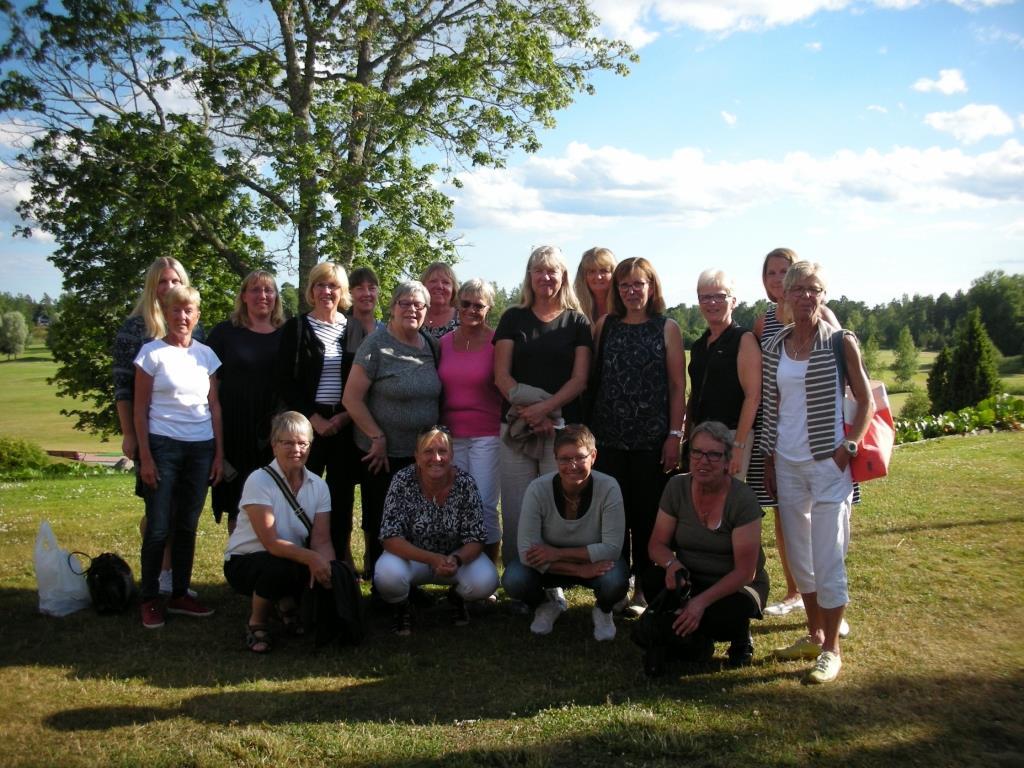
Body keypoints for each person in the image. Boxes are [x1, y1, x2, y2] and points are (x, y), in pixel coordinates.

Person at [760, 261, 874, 684]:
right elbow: (772, 406)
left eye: (815, 289)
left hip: (828, 466)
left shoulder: (840, 342)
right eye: (799, 289)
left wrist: (847, 449)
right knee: (801, 559)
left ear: (823, 296)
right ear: (785, 295)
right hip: (787, 465)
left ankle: (832, 649)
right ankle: (814, 632)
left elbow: (865, 401)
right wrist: (770, 457)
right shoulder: (775, 345)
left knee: (828, 557)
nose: (807, 296)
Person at [589, 257, 686, 615]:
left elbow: (678, 387)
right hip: (608, 440)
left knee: (648, 518)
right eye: (624, 285)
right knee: (614, 516)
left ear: (651, 287)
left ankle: (644, 591)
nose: (631, 291)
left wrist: (675, 434)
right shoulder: (605, 326)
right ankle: (614, 586)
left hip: (651, 441)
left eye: (638, 284)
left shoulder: (667, 328)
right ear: (617, 290)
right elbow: (595, 381)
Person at [747, 248, 840, 617]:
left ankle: (826, 609)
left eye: (784, 272)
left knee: (824, 532)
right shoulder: (764, 323)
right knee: (789, 523)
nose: (778, 279)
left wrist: (846, 446)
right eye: (772, 273)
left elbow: (850, 385)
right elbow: (768, 388)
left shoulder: (829, 326)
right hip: (784, 444)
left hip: (824, 445)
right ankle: (796, 592)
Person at [493, 245, 592, 573]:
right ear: (529, 276)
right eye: (539, 270)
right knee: (517, 507)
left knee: (556, 505)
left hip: (561, 431)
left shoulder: (577, 321)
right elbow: (501, 376)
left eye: (553, 271)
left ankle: (554, 579)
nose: (546, 277)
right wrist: (529, 413)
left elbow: (579, 380)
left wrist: (545, 411)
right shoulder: (512, 317)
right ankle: (518, 577)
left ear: (563, 276)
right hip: (516, 429)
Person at [643, 421, 770, 673]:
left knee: (729, 612)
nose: (704, 461)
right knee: (652, 579)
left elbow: (746, 572)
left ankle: (739, 636)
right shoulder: (676, 486)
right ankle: (693, 640)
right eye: (697, 453)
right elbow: (657, 545)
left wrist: (699, 603)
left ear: (727, 461)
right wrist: (672, 564)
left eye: (713, 454)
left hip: (736, 586)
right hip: (692, 578)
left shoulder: (743, 499)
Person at [113, 256, 204, 595]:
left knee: (180, 511)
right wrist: (129, 434)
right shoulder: (136, 329)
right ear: (152, 287)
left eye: (175, 281)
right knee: (158, 512)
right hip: (153, 437)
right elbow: (123, 388)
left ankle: (172, 577)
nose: (169, 288)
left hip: (192, 437)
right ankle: (159, 576)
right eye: (162, 282)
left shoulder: (196, 328)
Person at [133, 285, 222, 629]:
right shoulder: (151, 354)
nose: (182, 317)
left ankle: (181, 593)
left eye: (189, 311)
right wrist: (146, 458)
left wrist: (218, 454)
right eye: (176, 311)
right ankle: (150, 598)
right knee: (158, 527)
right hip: (163, 447)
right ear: (165, 314)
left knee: (187, 525)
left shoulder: (207, 355)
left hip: (201, 449)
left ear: (197, 315)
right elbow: (140, 410)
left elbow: (215, 407)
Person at [343, 280, 442, 579]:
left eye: (418, 305)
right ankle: (380, 581)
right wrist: (377, 436)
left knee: (414, 519)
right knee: (380, 519)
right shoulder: (376, 344)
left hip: (421, 456)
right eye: (404, 303)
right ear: (393, 307)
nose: (411, 309)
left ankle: (410, 583)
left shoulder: (431, 345)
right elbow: (351, 398)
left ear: (426, 311)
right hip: (381, 453)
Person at [501, 425, 628, 641]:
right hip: (562, 565)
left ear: (594, 456)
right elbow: (525, 552)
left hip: (587, 563)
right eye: (564, 459)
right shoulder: (537, 489)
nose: (572, 466)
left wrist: (556, 554)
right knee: (514, 579)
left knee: (616, 581)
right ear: (555, 458)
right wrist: (579, 570)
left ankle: (604, 610)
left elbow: (612, 548)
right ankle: (547, 604)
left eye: (580, 457)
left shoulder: (609, 487)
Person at [224, 412, 335, 653]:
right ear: (274, 445)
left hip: (292, 557)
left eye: (302, 443)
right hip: (247, 561)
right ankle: (257, 623)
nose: (296, 449)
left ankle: (286, 606)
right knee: (278, 567)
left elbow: (322, 540)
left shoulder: (319, 485)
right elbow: (272, 543)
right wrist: (313, 559)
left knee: (323, 571)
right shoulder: (259, 480)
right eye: (288, 442)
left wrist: (330, 570)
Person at [374, 426, 499, 635]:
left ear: (451, 454)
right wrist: (432, 558)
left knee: (487, 581)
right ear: (416, 456)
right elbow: (390, 538)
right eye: (428, 451)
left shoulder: (465, 483)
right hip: (413, 558)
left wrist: (456, 559)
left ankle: (457, 598)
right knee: (387, 576)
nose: (437, 458)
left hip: (453, 560)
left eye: (442, 451)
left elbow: (476, 538)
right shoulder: (402, 481)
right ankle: (402, 605)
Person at [276, 262, 351, 565]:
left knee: (341, 495)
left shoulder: (354, 328)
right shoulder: (296, 328)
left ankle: (338, 560)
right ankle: (299, 559)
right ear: (311, 290)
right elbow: (283, 379)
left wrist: (345, 415)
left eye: (333, 286)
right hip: (306, 426)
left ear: (342, 291)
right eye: (320, 285)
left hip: (345, 422)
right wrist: (312, 418)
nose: (326, 292)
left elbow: (362, 378)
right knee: (300, 491)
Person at [206, 270, 285, 534]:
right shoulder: (224, 333)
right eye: (255, 290)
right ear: (243, 296)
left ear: (276, 297)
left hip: (275, 429)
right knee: (238, 502)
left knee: (275, 497)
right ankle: (240, 562)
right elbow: (209, 384)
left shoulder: (288, 332)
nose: (262, 296)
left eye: (268, 290)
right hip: (235, 428)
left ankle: (273, 562)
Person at [438, 278, 503, 566]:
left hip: (487, 435)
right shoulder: (442, 344)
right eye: (466, 303)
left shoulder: (497, 343)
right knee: (455, 502)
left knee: (485, 504)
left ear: (488, 308)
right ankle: (460, 565)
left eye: (479, 305)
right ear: (457, 304)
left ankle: (488, 570)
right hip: (450, 437)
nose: (471, 310)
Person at [685, 269, 761, 479]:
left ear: (733, 301)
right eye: (706, 297)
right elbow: (696, 393)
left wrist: (739, 445)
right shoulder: (700, 345)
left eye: (720, 296)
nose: (712, 303)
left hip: (732, 434)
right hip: (700, 436)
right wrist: (687, 437)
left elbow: (753, 396)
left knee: (726, 503)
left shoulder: (743, 339)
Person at [338, 266, 386, 572]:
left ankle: (374, 556)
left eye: (372, 287)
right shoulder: (340, 329)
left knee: (375, 496)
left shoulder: (385, 329)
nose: (366, 293)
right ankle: (344, 557)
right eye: (359, 288)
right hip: (343, 426)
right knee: (341, 496)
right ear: (349, 293)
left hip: (376, 428)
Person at [573, 246, 617, 324]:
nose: (598, 277)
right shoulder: (575, 310)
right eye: (592, 271)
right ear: (583, 277)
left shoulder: (624, 306)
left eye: (604, 271)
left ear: (614, 274)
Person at [421, 261, 459, 338]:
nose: (439, 286)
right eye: (433, 281)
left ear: (453, 289)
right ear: (423, 286)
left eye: (445, 282)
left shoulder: (464, 318)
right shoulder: (413, 315)